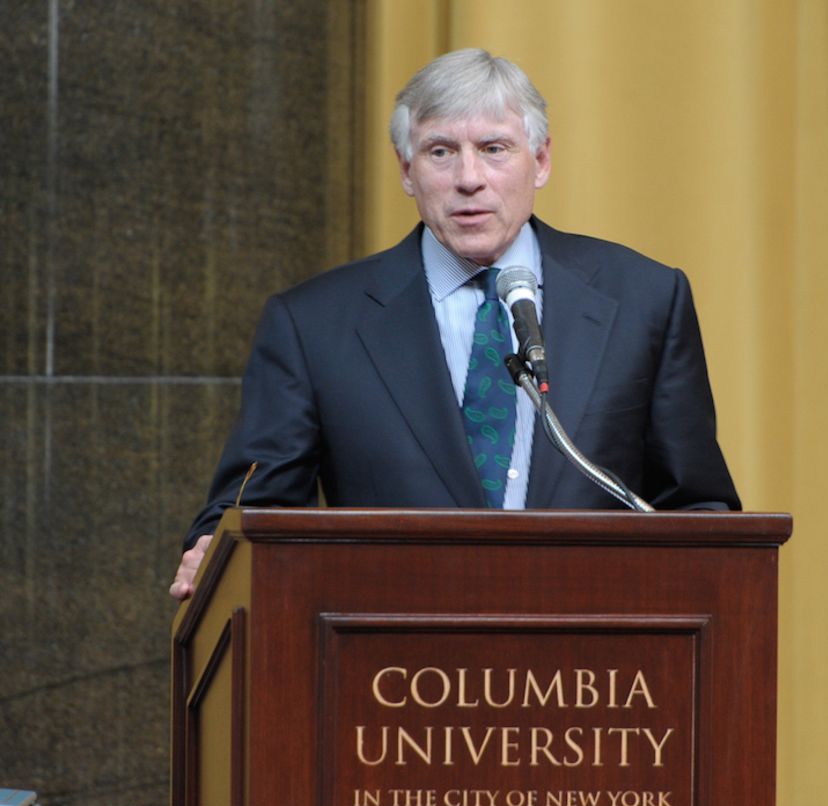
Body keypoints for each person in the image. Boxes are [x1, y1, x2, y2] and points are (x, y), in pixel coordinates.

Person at [169, 48, 739, 600]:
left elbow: (697, 507)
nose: (469, 178)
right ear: (406, 170)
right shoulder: (315, 324)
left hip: (596, 669)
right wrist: (216, 548)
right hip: (390, 666)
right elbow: (252, 508)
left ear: (539, 162)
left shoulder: (643, 299)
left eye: (494, 148)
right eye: (441, 152)